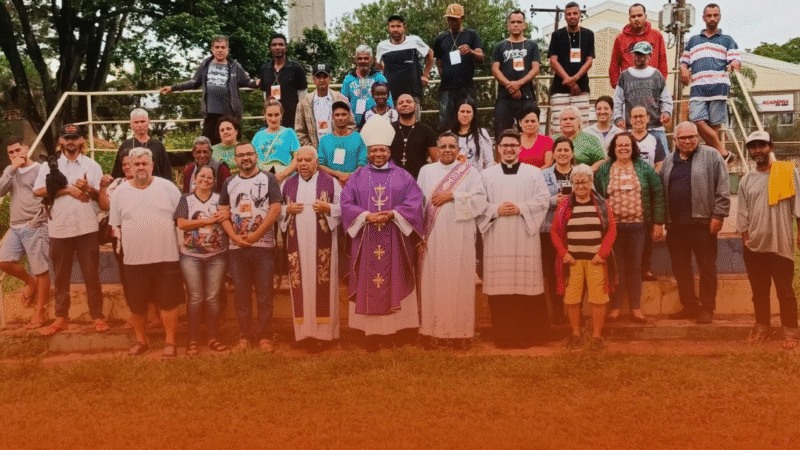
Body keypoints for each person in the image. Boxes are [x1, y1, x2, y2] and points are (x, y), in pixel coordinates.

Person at [340, 116, 424, 351]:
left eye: (382, 150)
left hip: (395, 240)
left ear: (389, 151)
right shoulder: (356, 177)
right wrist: (366, 215)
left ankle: (394, 332)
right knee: (370, 281)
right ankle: (371, 334)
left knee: (394, 279)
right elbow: (346, 204)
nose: (378, 154)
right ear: (368, 152)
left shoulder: (404, 176)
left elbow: (415, 203)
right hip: (367, 240)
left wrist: (393, 214)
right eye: (374, 150)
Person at [109, 148, 183, 358]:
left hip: (167, 256)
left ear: (152, 165)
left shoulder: (168, 187)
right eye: (136, 164)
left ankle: (170, 343)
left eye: (145, 163)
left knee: (169, 301)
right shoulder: (120, 193)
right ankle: (141, 341)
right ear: (129, 167)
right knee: (137, 304)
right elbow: (117, 225)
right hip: (134, 259)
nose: (141, 167)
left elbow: (181, 218)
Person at [33, 124, 107, 336]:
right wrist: (68, 190)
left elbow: (99, 197)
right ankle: (61, 317)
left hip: (87, 227)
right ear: (61, 141)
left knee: (92, 275)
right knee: (61, 277)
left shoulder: (92, 165)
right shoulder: (49, 166)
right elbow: (38, 191)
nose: (71, 142)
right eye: (67, 138)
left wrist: (88, 188)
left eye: (75, 138)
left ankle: (97, 316)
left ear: (82, 141)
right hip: (59, 228)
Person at [479, 129, 550, 348]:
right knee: (500, 287)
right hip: (497, 239)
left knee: (524, 286)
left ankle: (528, 337)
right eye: (504, 145)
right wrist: (496, 209)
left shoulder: (533, 173)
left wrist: (520, 208)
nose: (509, 149)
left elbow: (543, 200)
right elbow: (478, 203)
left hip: (524, 238)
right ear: (498, 149)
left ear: (520, 148)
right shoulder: (487, 175)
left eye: (513, 145)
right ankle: (503, 337)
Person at [417, 132, 487, 349]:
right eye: (443, 146)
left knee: (460, 283)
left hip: (460, 235)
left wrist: (453, 196)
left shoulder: (470, 172)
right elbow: (417, 202)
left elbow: (480, 200)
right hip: (433, 237)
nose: (447, 150)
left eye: (451, 146)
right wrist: (418, 233)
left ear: (458, 150)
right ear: (436, 149)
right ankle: (431, 331)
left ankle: (461, 333)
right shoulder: (426, 171)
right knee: (432, 282)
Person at [661, 122, 730, 324]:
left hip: (703, 224)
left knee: (707, 266)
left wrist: (718, 215)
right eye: (682, 138)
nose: (688, 140)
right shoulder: (668, 161)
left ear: (698, 137)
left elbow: (723, 188)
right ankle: (690, 305)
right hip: (675, 226)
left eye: (692, 136)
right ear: (675, 140)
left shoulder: (712, 156)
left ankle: (707, 307)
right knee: (681, 268)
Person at [737, 131, 799, 349]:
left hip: (780, 245)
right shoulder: (746, 180)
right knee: (759, 292)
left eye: (761, 145)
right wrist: (746, 241)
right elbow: (742, 215)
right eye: (753, 147)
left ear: (770, 147)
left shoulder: (787, 173)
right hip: (754, 247)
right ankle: (762, 327)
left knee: (785, 290)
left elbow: (798, 208)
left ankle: (791, 332)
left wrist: (799, 233)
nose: (757, 151)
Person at [594, 132, 665, 323]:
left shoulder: (644, 168)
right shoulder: (604, 169)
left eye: (627, 145)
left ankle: (636, 308)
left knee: (635, 267)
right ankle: (616, 308)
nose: (623, 148)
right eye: (619, 145)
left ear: (633, 147)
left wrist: (658, 222)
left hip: (638, 226)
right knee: (617, 268)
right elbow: (598, 198)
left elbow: (658, 194)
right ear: (613, 148)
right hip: (613, 227)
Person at [219, 142, 282, 352]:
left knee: (264, 293)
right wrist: (233, 237)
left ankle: (264, 337)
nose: (245, 158)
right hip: (237, 248)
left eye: (249, 154)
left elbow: (275, 209)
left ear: (256, 156)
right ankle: (244, 337)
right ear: (235, 160)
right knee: (241, 294)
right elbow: (223, 212)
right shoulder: (229, 182)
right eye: (241, 155)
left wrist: (256, 234)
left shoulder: (269, 179)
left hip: (263, 246)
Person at [280, 147, 342, 351]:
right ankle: (304, 334)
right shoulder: (287, 184)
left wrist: (329, 209)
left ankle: (324, 335)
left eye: (308, 160)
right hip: (296, 243)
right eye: (300, 160)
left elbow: (344, 207)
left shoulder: (330, 182)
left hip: (322, 243)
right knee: (301, 284)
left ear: (316, 162)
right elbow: (276, 209)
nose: (304, 164)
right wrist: (287, 209)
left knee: (322, 282)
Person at [551, 164, 616, 350]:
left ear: (591, 182)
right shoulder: (564, 206)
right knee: (572, 299)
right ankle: (575, 334)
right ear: (572, 184)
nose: (580, 186)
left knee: (598, 298)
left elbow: (612, 230)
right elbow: (555, 232)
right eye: (577, 182)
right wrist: (564, 254)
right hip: (572, 262)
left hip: (596, 260)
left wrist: (602, 254)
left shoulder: (602, 205)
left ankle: (596, 336)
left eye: (584, 182)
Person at [159, 35, 257, 145]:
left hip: (230, 113)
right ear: (212, 49)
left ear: (227, 50)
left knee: (230, 143)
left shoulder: (234, 66)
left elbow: (248, 82)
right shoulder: (206, 65)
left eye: (223, 47)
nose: (220, 50)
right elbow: (194, 82)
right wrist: (173, 88)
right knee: (207, 143)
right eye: (217, 47)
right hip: (210, 113)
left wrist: (258, 83)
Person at [175, 165, 230, 355]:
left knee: (213, 298)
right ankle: (193, 340)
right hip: (191, 255)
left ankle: (213, 337)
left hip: (217, 255)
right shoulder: (186, 199)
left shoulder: (220, 199)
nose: (205, 180)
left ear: (214, 181)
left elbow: (227, 218)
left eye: (209, 177)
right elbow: (181, 223)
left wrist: (223, 217)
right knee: (196, 297)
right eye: (202, 176)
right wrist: (207, 221)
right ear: (195, 178)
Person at [679, 3, 739, 161]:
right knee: (697, 121)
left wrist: (734, 63)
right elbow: (684, 61)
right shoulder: (693, 40)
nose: (712, 18)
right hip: (698, 87)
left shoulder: (727, 40)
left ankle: (715, 159)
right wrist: (684, 69)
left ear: (719, 17)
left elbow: (735, 59)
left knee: (714, 126)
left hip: (718, 87)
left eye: (715, 15)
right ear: (703, 18)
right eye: (709, 15)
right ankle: (723, 153)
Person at [0, 137, 49, 329]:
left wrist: (38, 220)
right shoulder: (10, 171)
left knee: (41, 269)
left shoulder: (39, 169)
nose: (15, 155)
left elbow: (48, 195)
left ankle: (40, 311)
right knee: (3, 261)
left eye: (18, 150)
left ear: (27, 148)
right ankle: (31, 282)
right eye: (11, 152)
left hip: (34, 225)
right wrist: (12, 168)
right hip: (15, 227)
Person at [612, 41, 672, 153]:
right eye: (636, 54)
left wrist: (666, 112)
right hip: (631, 128)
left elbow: (666, 98)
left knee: (664, 158)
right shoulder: (625, 75)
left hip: (655, 127)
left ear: (649, 56)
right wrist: (618, 117)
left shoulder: (656, 75)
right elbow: (617, 100)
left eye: (642, 55)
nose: (638, 58)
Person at [540, 137, 575, 325]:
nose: (562, 153)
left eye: (566, 150)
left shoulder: (580, 173)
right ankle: (557, 311)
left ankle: (574, 311)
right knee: (555, 272)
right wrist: (554, 200)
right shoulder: (543, 175)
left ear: (572, 153)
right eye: (559, 150)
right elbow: (535, 199)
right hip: (549, 230)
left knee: (575, 271)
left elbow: (593, 195)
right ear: (553, 153)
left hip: (575, 229)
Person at [434, 3, 484, 129]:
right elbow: (438, 61)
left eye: (454, 19)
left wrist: (471, 52)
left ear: (462, 18)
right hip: (447, 87)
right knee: (445, 123)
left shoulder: (471, 34)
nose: (452, 22)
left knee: (469, 122)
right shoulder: (441, 38)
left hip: (466, 86)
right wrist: (444, 75)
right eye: (449, 18)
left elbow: (481, 57)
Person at [491, 10, 541, 137]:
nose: (516, 25)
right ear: (508, 25)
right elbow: (495, 69)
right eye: (513, 22)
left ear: (524, 25)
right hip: (504, 96)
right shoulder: (500, 46)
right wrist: (510, 86)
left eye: (519, 22)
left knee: (527, 132)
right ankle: (500, 158)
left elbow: (535, 68)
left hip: (526, 96)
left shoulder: (532, 45)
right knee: (501, 134)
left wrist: (518, 84)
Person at [548, 1, 594, 134]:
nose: (572, 16)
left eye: (575, 13)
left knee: (582, 127)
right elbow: (553, 60)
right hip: (559, 88)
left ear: (580, 15)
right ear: (565, 16)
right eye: (569, 14)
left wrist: (575, 79)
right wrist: (568, 79)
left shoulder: (588, 34)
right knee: (558, 127)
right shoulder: (557, 35)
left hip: (581, 88)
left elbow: (589, 61)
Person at [376, 14, 434, 113]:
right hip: (390, 96)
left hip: (412, 94)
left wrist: (426, 75)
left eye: (398, 26)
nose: (395, 29)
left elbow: (430, 54)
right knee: (392, 126)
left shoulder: (414, 41)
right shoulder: (382, 46)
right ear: (388, 28)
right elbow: (378, 64)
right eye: (392, 26)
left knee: (414, 125)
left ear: (404, 27)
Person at [608, 3, 668, 88]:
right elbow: (614, 65)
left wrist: (660, 84)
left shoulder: (657, 36)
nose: (636, 19)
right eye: (633, 16)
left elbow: (662, 62)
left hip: (652, 86)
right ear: (629, 19)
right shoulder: (620, 38)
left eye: (639, 15)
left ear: (645, 16)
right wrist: (617, 86)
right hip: (629, 86)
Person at [295, 63, 352, 148]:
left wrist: (341, 144)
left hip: (339, 147)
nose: (322, 80)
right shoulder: (304, 102)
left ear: (330, 79)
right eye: (318, 77)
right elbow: (299, 130)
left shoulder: (341, 99)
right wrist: (312, 149)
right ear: (313, 79)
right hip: (314, 150)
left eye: (325, 76)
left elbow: (351, 125)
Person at [259, 33, 308, 129]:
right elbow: (265, 95)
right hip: (272, 122)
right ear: (270, 48)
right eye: (274, 45)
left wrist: (300, 121)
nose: (277, 47)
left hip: (292, 122)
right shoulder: (265, 69)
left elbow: (303, 98)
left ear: (286, 48)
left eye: (281, 44)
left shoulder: (297, 69)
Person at [111, 108, 172, 180]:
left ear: (148, 122)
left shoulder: (158, 145)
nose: (140, 125)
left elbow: (166, 173)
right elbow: (117, 173)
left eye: (142, 121)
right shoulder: (125, 145)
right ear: (130, 123)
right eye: (136, 122)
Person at [340, 45, 393, 127]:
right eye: (360, 58)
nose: (363, 61)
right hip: (354, 125)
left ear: (371, 60)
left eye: (366, 58)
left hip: (376, 124)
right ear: (356, 60)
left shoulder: (379, 77)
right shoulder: (349, 79)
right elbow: (343, 102)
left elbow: (389, 102)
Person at [317, 101, 368, 186]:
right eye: (337, 115)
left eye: (344, 114)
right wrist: (338, 175)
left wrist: (349, 178)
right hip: (330, 184)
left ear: (349, 116)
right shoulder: (325, 140)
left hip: (354, 183)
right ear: (332, 117)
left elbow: (362, 163)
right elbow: (320, 164)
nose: (340, 118)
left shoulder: (358, 138)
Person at [390, 94, 438, 179]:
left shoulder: (426, 130)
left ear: (415, 106)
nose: (405, 104)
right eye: (401, 103)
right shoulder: (388, 129)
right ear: (396, 108)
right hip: (392, 180)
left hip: (419, 179)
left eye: (409, 102)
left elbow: (436, 161)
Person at [252, 98, 301, 182]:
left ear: (281, 114)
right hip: (262, 178)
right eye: (270, 115)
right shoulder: (258, 136)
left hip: (285, 177)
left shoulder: (289, 133)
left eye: (276, 115)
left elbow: (297, 158)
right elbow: (252, 159)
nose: (273, 119)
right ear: (264, 115)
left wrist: (284, 174)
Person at [553, 106, 605, 171]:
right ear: (560, 123)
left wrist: (588, 172)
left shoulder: (590, 140)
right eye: (564, 119)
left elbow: (602, 160)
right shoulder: (552, 140)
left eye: (572, 119)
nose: (568, 122)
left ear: (579, 122)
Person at [450, 100, 494, 170]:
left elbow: (489, 161)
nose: (465, 115)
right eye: (462, 111)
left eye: (468, 112)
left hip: (477, 178)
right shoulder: (449, 135)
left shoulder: (482, 133)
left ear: (473, 115)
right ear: (457, 113)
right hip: (456, 178)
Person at [627, 106, 667, 172]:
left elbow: (660, 164)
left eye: (641, 116)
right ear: (630, 120)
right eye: (635, 117)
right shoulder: (623, 139)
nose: (638, 120)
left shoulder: (655, 140)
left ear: (648, 118)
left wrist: (652, 179)